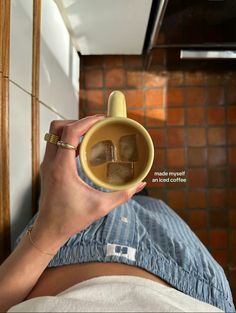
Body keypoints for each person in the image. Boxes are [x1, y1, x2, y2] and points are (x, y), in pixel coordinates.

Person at [0, 115, 234, 312]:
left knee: (93, 179)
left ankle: (133, 193)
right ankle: (138, 195)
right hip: (195, 283)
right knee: (155, 208)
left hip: (65, 247)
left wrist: (50, 229)